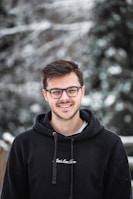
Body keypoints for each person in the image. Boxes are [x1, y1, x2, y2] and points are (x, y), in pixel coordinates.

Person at [1, 60, 132, 199]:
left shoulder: (110, 144)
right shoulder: (24, 144)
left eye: (71, 90)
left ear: (82, 91)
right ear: (45, 95)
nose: (64, 98)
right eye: (56, 91)